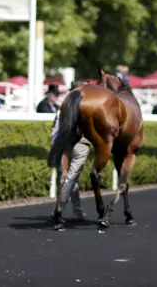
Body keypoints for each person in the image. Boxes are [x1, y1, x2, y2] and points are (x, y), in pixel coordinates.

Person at [51, 82, 89, 222]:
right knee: (71, 178)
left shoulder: (63, 104)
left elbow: (55, 128)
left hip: (61, 143)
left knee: (68, 178)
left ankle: (75, 210)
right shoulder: (84, 105)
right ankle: (60, 209)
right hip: (77, 144)